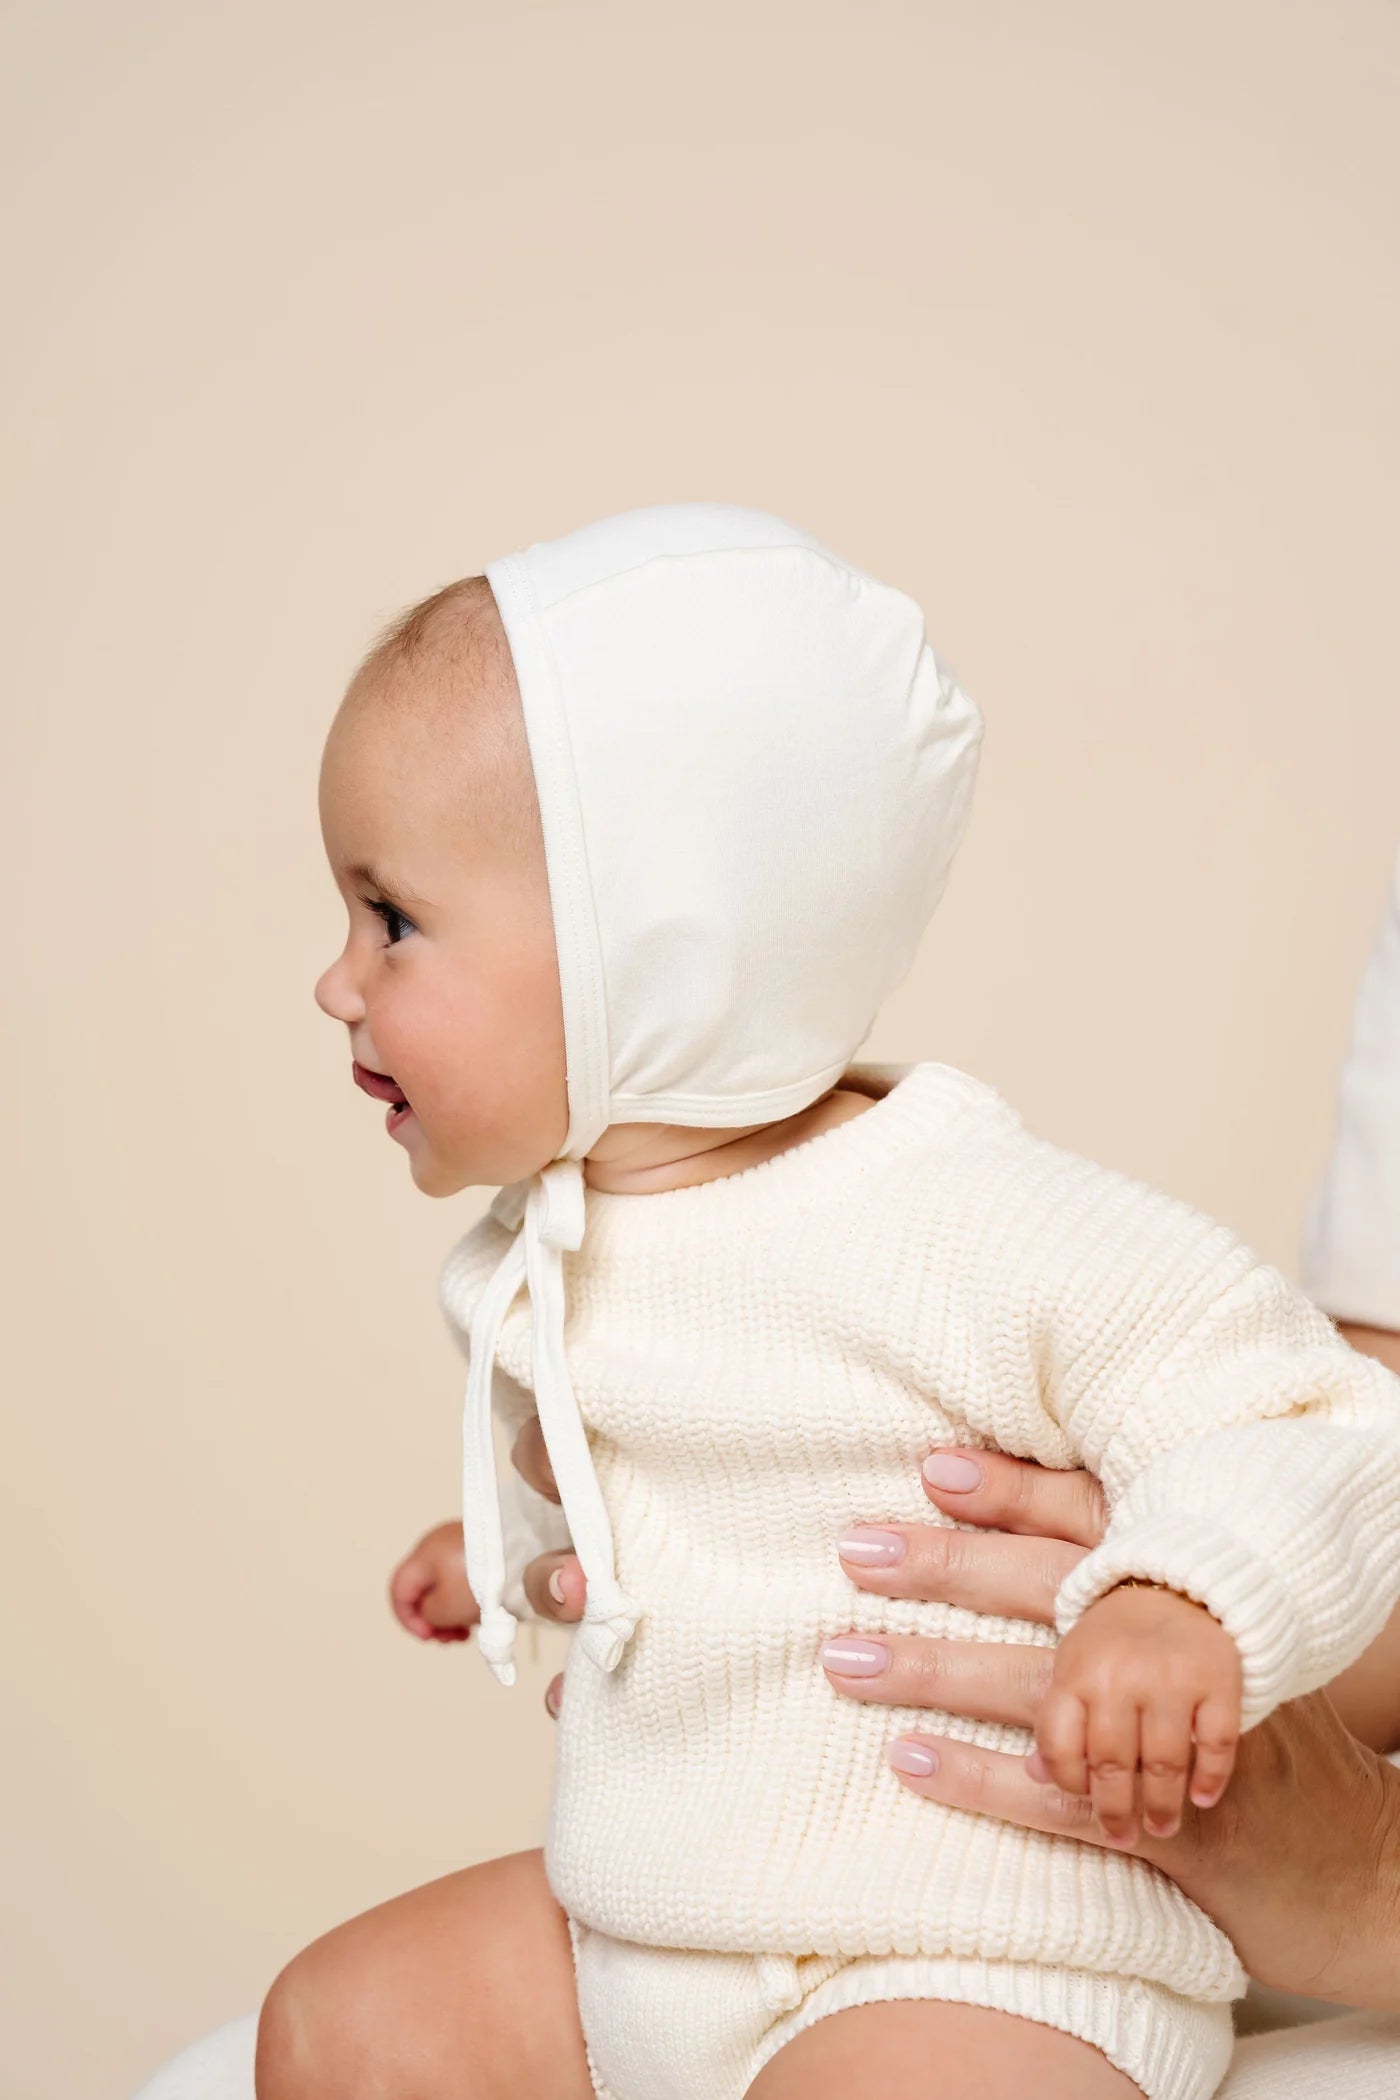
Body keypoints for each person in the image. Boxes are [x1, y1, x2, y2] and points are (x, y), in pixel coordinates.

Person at [135, 504, 1400, 2100]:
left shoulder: (968, 1214)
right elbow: (687, 1480)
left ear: (643, 952)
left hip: (979, 1953)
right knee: (336, 2023)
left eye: (390, 921)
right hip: (653, 1926)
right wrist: (520, 1555)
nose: (337, 980)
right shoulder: (554, 1249)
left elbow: (1317, 1418)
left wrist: (1178, 1600)